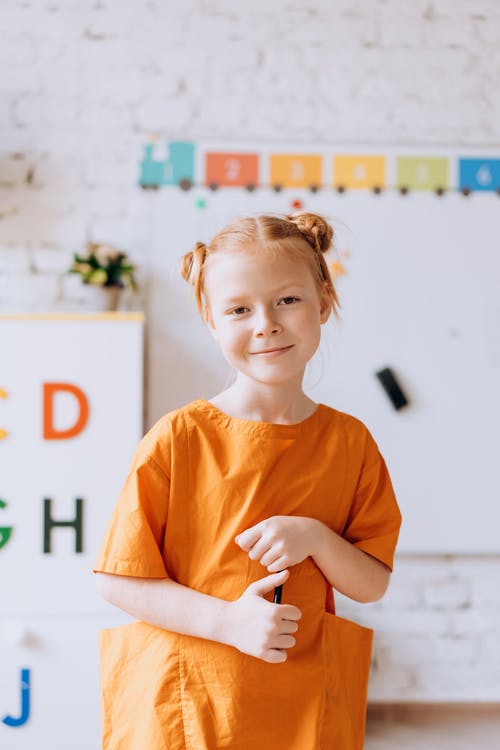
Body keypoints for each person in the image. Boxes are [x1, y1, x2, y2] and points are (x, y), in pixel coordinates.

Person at [92, 212, 402, 750]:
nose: (266, 323)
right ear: (211, 319)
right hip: (190, 705)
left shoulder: (351, 443)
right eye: (240, 309)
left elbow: (370, 583)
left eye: (287, 300)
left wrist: (315, 538)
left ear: (323, 301)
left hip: (303, 705)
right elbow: (117, 579)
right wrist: (228, 622)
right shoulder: (178, 438)